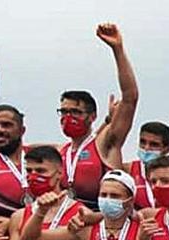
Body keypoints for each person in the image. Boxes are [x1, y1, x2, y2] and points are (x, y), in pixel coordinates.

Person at [57, 24, 139, 209]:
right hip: (69, 227)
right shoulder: (59, 151)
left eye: (76, 112)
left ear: (92, 116)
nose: (69, 117)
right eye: (64, 112)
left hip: (104, 227)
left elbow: (130, 98)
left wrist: (117, 49)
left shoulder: (106, 143)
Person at [127, 121, 169, 208]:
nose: (146, 148)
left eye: (154, 144)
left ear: (167, 149)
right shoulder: (127, 170)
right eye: (143, 142)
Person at [0, 104, 30, 224]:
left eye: (6, 125)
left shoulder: (39, 157)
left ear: (22, 130)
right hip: (2, 234)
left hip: (40, 233)